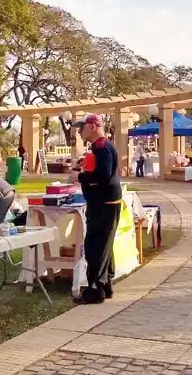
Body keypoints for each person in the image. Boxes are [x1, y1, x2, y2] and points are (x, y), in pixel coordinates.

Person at [71, 113, 122, 304]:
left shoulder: (102, 147)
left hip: (104, 203)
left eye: (82, 127)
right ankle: (105, 285)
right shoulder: (99, 147)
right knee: (103, 245)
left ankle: (95, 289)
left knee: (95, 246)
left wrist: (81, 177)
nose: (79, 131)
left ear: (92, 126)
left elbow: (103, 176)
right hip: (104, 202)